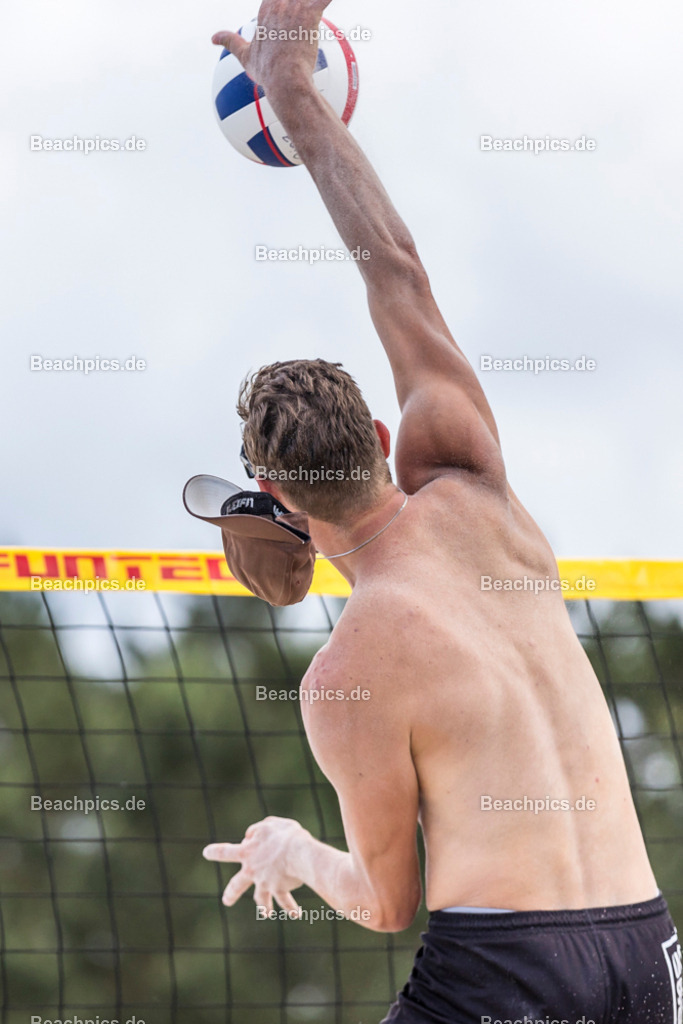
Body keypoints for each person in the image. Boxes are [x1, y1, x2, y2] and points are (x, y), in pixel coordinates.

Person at [202, 3, 680, 1020]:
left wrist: (295, 848)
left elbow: (384, 901)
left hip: (504, 974)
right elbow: (395, 268)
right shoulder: (472, 485)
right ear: (380, 438)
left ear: (277, 497)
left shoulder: (342, 679)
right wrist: (293, 92)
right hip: (646, 947)